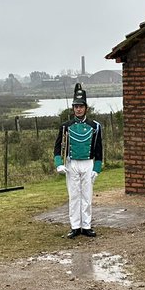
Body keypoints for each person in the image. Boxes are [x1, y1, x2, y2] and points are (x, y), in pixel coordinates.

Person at [54, 83, 104, 239]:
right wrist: (59, 164)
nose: (78, 109)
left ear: (86, 108)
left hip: (88, 163)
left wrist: (97, 168)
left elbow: (99, 150)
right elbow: (57, 148)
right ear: (73, 108)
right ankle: (75, 226)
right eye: (76, 106)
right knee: (74, 196)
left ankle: (86, 226)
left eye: (81, 106)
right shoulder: (65, 127)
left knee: (87, 196)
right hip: (72, 164)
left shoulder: (95, 126)